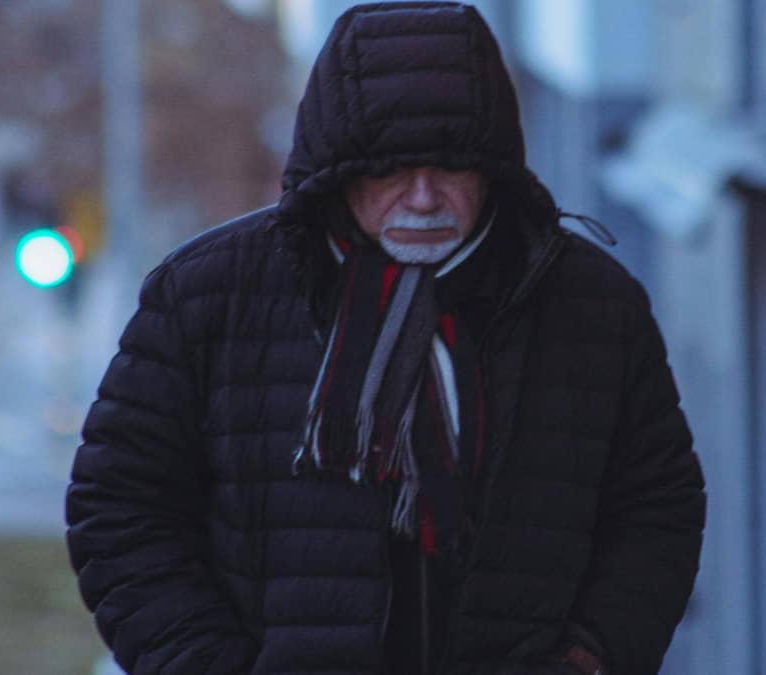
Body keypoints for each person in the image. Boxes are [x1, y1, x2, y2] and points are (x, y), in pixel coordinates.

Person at [65, 3, 705, 674]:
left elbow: (656, 503)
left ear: (494, 169)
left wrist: (590, 657)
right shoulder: (210, 297)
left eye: (451, 167)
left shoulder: (589, 303)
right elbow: (122, 506)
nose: (423, 197)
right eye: (391, 169)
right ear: (339, 171)